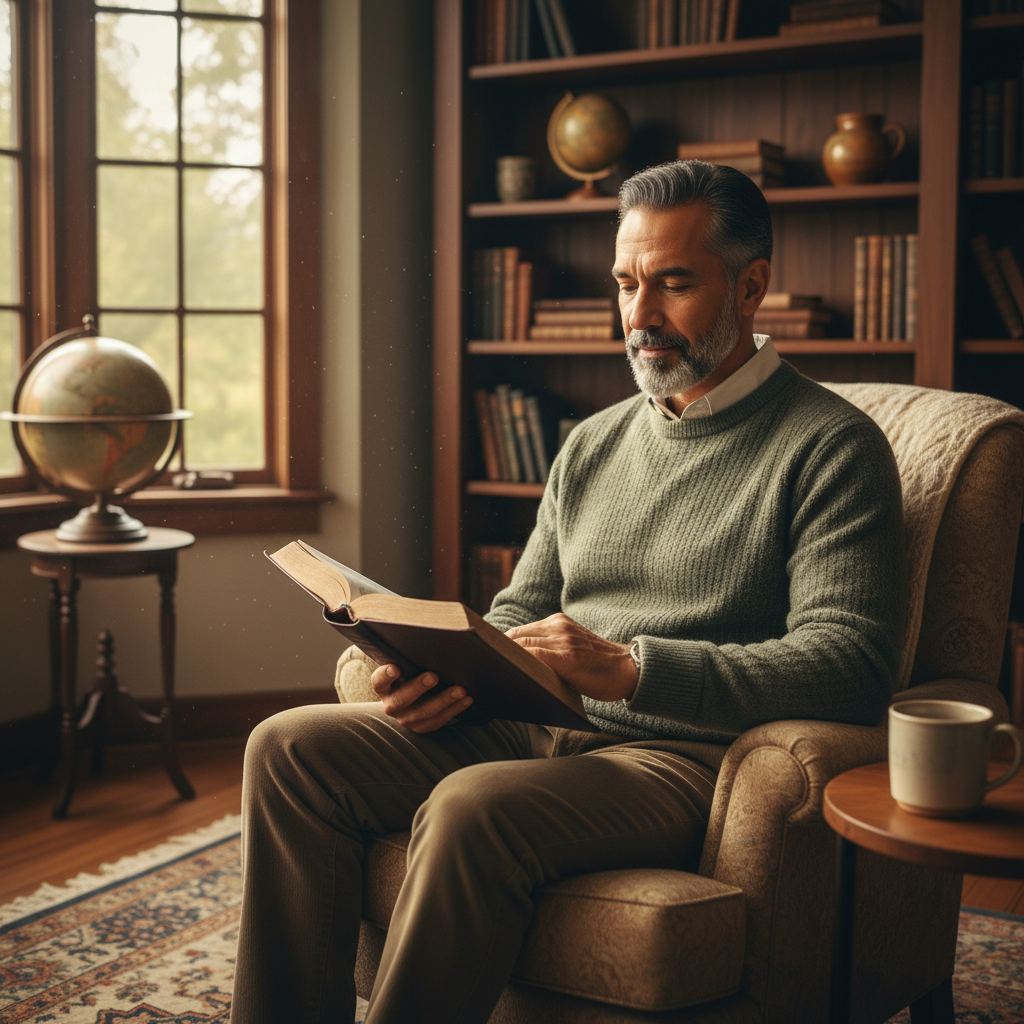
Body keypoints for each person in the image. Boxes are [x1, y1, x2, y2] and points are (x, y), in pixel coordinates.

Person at [230, 161, 906, 1024]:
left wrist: (632, 670)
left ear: (752, 286)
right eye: (626, 284)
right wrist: (444, 667)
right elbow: (520, 607)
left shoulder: (832, 449)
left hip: (681, 758)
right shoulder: (591, 443)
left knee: (471, 808)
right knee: (284, 749)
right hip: (533, 721)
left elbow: (851, 666)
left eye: (673, 284)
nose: (640, 316)